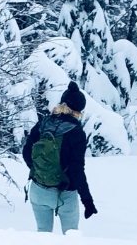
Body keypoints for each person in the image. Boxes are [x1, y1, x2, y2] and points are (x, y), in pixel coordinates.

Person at [21, 82, 97, 233]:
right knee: (70, 238)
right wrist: (87, 200)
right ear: (79, 109)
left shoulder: (43, 124)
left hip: (38, 189)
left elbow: (26, 152)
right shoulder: (76, 132)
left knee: (43, 236)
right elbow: (76, 170)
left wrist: (41, 171)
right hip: (65, 194)